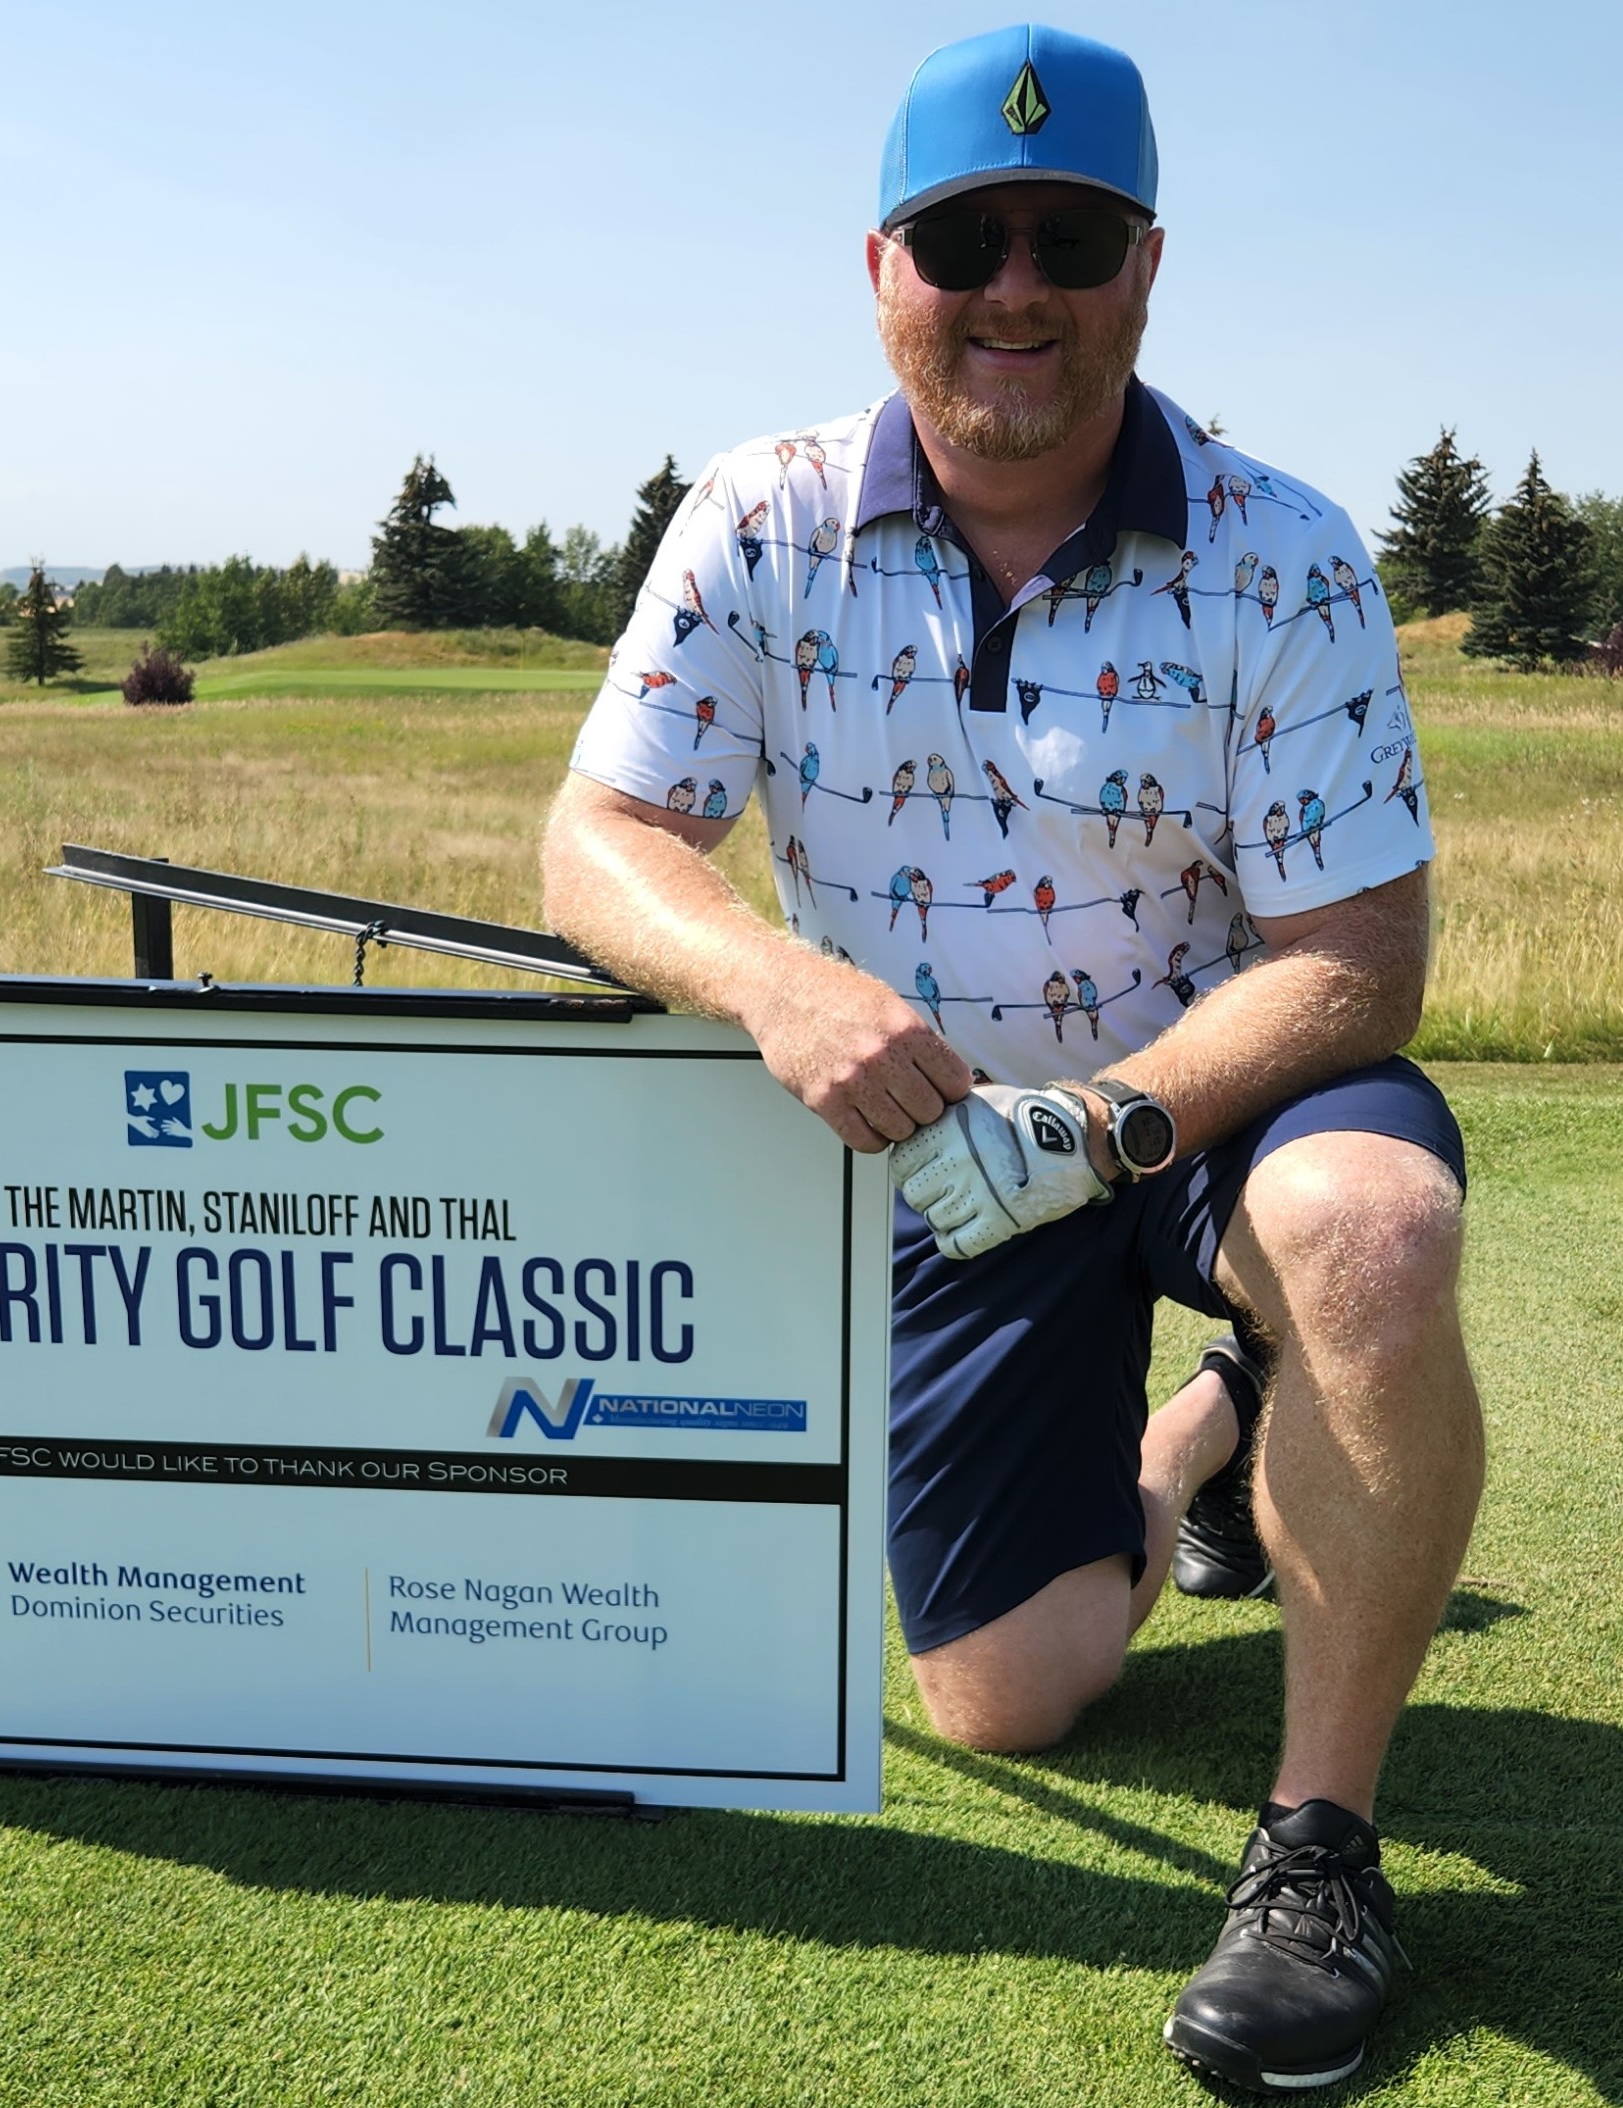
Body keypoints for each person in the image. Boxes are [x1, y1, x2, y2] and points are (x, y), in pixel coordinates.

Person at [541, 23, 1482, 2095]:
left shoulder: (1284, 546)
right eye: (967, 235)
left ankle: (1319, 1843)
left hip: (1227, 1094)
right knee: (1005, 1691)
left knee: (1369, 1227)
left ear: (1148, 264)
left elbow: (1365, 957)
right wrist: (777, 984)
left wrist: (1115, 1117)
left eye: (1070, 235)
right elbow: (594, 842)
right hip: (946, 1151)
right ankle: (1207, 1435)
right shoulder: (759, 517)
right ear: (880, 260)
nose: (1016, 286)